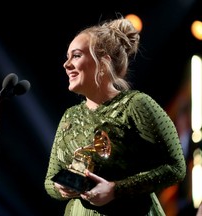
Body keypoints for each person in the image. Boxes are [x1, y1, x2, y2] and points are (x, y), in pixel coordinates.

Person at [44, 16, 187, 216]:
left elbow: (176, 168)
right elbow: (50, 179)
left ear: (103, 63)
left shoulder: (136, 104)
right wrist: (61, 188)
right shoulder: (70, 116)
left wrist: (115, 189)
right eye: (67, 57)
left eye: (76, 56)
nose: (66, 64)